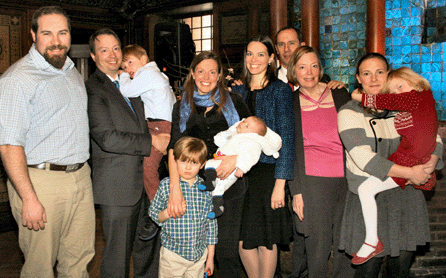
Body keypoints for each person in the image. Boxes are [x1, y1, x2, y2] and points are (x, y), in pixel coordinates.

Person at [0, 6, 95, 277]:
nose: (56, 40)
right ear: (33, 35)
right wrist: (28, 197)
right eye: (47, 33)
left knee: (78, 262)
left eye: (62, 32)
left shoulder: (71, 71)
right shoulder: (17, 80)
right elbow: (8, 145)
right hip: (41, 184)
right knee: (39, 268)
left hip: (80, 178)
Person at [337, 53, 443, 277]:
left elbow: (434, 137)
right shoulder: (349, 111)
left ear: (389, 75)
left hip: (404, 198)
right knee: (368, 271)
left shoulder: (403, 103)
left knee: (400, 272)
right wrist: (411, 173)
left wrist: (429, 165)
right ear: (358, 78)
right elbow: (363, 158)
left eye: (380, 72)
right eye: (367, 73)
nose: (374, 79)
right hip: (368, 197)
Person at [86, 28, 167, 277]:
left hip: (145, 182)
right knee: (117, 258)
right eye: (104, 50)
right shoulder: (93, 88)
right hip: (118, 187)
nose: (112, 55)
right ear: (93, 56)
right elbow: (107, 138)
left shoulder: (132, 83)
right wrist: (152, 140)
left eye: (116, 48)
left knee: (149, 251)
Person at [167, 51, 251, 278]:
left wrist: (235, 159)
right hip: (194, 187)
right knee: (195, 250)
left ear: (219, 75)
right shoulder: (181, 106)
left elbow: (254, 137)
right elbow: (174, 149)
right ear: (192, 73)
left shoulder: (234, 101)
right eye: (201, 71)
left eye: (212, 72)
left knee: (225, 252)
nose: (207, 77)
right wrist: (175, 190)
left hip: (229, 184)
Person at [286, 45, 354, 278]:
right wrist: (296, 191)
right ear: (293, 71)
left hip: (346, 180)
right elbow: (289, 149)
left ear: (321, 68)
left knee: (346, 242)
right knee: (318, 248)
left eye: (314, 66)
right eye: (302, 67)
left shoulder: (339, 93)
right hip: (312, 182)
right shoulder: (290, 102)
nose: (309, 72)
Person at [232, 35, 295, 278]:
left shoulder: (280, 90)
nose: (254, 59)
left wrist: (281, 184)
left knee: (266, 239)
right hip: (238, 173)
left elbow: (287, 138)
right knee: (242, 239)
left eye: (261, 54)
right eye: (249, 53)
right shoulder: (236, 91)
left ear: (271, 58)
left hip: (268, 174)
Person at [120, 44, 176, 240]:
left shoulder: (148, 73)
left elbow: (126, 91)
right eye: (124, 65)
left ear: (143, 59)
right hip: (158, 126)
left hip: (159, 127)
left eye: (129, 62)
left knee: (148, 170)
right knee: (150, 169)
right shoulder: (155, 73)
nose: (127, 68)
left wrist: (122, 75)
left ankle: (158, 214)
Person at [149, 136, 217, 277]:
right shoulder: (166, 186)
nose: (187, 167)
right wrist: (168, 212)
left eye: (194, 162)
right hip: (172, 256)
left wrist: (210, 258)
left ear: (202, 164)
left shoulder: (206, 190)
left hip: (198, 257)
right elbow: (153, 213)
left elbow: (211, 226)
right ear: (175, 161)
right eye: (183, 161)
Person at [202, 116, 282, 219]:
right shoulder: (237, 135)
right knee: (213, 174)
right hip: (219, 160)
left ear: (253, 133)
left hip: (232, 169)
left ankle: (213, 193)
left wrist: (242, 167)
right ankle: (215, 197)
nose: (242, 124)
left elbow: (249, 155)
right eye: (244, 121)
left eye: (247, 126)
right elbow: (220, 140)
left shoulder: (251, 142)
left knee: (219, 181)